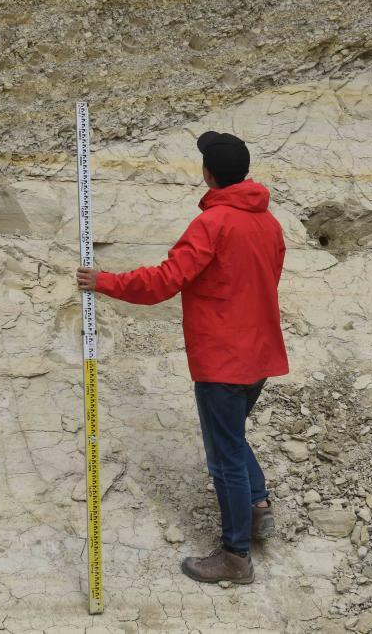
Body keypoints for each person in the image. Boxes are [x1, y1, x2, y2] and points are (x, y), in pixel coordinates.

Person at [76, 131, 289, 584]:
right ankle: (258, 506)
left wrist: (105, 281)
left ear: (208, 174)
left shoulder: (212, 223)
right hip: (260, 352)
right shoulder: (269, 223)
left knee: (224, 455)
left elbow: (164, 281)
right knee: (232, 435)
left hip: (222, 357)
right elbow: (268, 277)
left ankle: (235, 557)